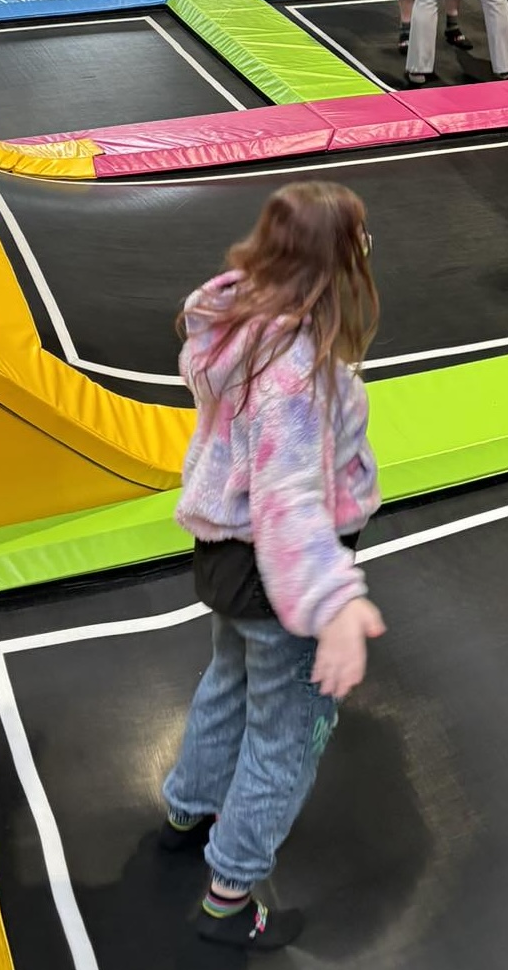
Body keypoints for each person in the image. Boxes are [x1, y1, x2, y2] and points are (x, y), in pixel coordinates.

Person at [160, 181, 386, 951]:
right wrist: (334, 607)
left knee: (227, 682)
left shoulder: (235, 323)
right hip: (275, 574)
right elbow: (287, 505)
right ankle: (228, 896)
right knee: (287, 733)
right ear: (336, 264)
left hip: (223, 560)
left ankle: (187, 808)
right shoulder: (294, 376)